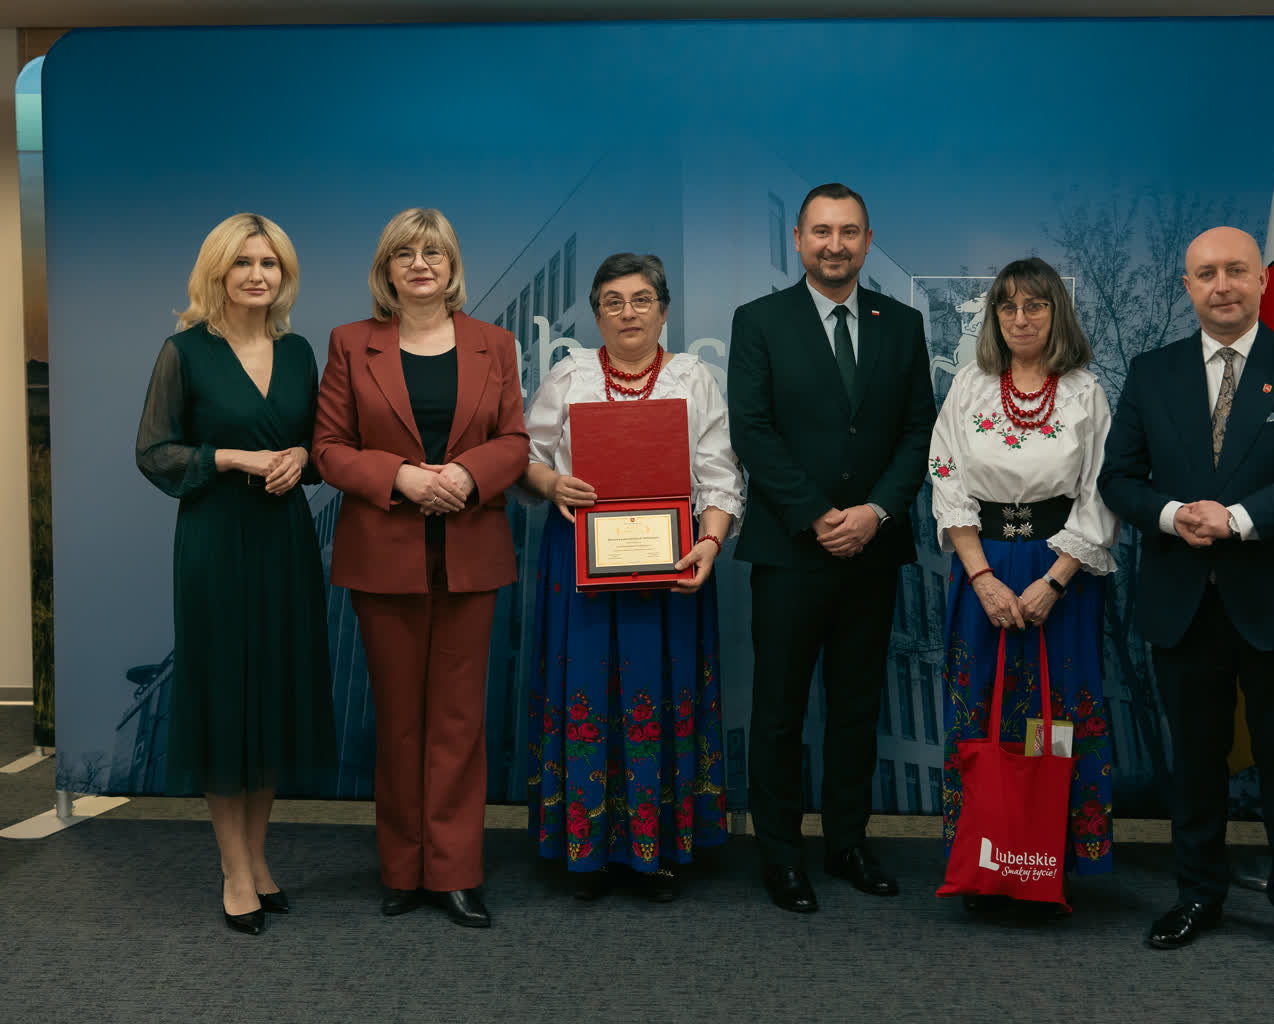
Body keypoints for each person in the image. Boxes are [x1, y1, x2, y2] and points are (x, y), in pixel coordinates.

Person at [1097, 226, 1274, 966]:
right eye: (1206, 273)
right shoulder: (1151, 372)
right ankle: (1197, 895)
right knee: (1196, 762)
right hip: (1183, 599)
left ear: (1263, 279)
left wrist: (1234, 519)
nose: (1222, 285)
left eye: (1236, 270)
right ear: (1187, 286)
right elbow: (1118, 478)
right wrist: (1174, 515)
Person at [312, 208, 530, 928]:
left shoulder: (495, 344)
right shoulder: (351, 343)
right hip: (385, 557)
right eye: (404, 253)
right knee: (400, 722)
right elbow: (329, 448)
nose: (420, 264)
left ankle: (456, 871)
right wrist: (400, 476)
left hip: (471, 552)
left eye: (433, 252)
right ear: (386, 269)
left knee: (459, 722)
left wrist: (467, 474)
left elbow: (515, 441)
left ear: (452, 265)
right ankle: (403, 869)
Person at [728, 183, 936, 913]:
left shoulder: (902, 324)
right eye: (821, 231)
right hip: (791, 548)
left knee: (856, 707)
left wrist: (874, 512)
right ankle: (781, 856)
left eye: (849, 232)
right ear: (798, 239)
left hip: (872, 550)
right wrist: (818, 515)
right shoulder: (759, 321)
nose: (835, 245)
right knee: (779, 713)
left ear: (868, 241)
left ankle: (848, 843)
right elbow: (752, 430)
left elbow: (919, 430)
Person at [135, 212, 335, 936]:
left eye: (269, 263)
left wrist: (302, 458)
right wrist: (229, 457)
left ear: (284, 274)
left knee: (272, 697)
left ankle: (256, 856)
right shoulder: (184, 352)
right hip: (215, 541)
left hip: (284, 541)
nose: (257, 275)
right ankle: (234, 870)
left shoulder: (301, 351)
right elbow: (155, 452)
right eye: (243, 262)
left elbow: (318, 445)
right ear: (217, 272)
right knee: (225, 701)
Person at [521, 252, 744, 903]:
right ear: (596, 314)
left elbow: (720, 475)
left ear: (664, 310)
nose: (628, 313)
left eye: (641, 300)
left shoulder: (692, 377)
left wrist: (710, 542)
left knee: (657, 693)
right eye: (613, 302)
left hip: (669, 564)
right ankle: (586, 849)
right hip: (579, 562)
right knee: (587, 694)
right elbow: (525, 458)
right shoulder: (569, 375)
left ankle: (656, 851)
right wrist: (551, 482)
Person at [927, 258, 1118, 908]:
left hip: (1061, 571)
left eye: (1035, 305)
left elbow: (1101, 492)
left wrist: (1055, 582)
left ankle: (1049, 857)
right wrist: (981, 576)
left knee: (1055, 713)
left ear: (1057, 312)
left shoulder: (1085, 393)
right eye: (1007, 306)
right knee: (980, 705)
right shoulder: (970, 387)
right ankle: (983, 855)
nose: (1021, 318)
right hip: (982, 567)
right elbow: (946, 476)